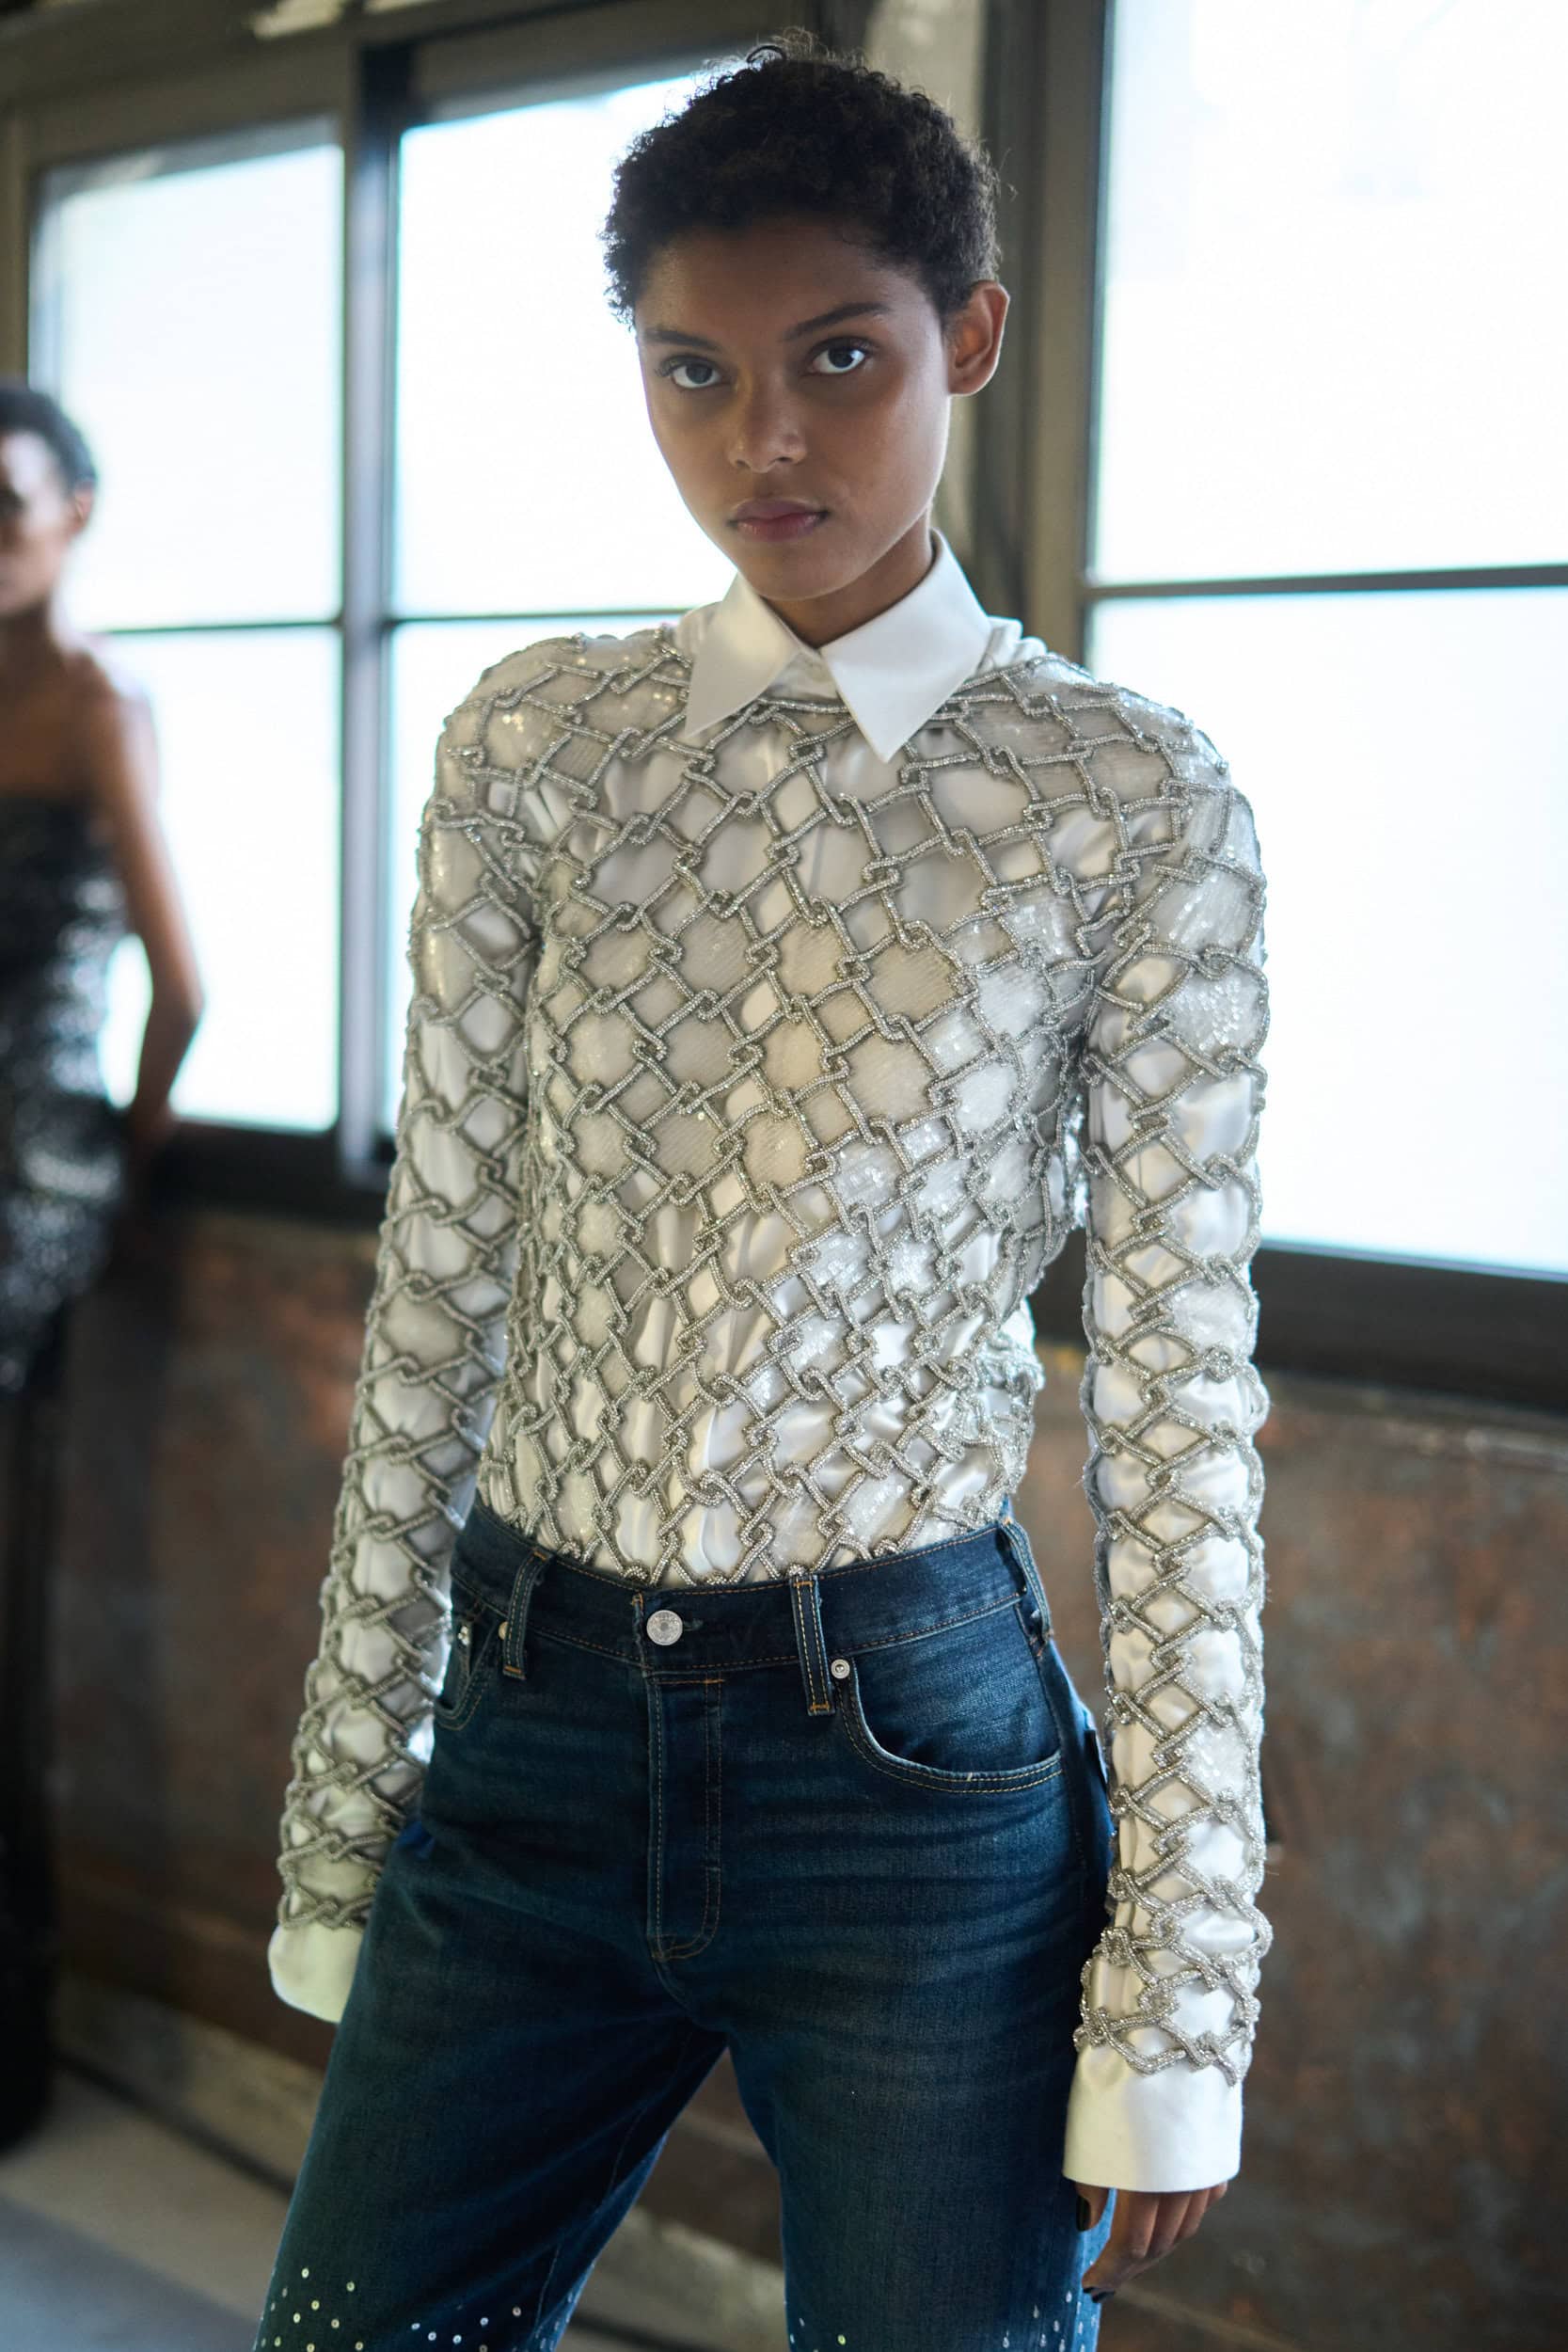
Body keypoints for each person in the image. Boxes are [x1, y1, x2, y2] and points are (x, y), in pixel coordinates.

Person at [257, 30, 1272, 2350]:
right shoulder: (539, 746)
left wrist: (1183, 1986)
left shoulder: (1126, 799)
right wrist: (344, 1804)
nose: (764, 442)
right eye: (693, 372)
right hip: (529, 1729)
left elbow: (1181, 1399)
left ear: (967, 339)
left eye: (839, 358)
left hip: (909, 1769)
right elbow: (444, 1284)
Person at [0, 381, 204, 2150]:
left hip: (20, 1180)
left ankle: (9, 2048)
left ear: (73, 516)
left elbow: (180, 984)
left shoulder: (91, 703)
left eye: (8, 509)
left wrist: (112, 1166)